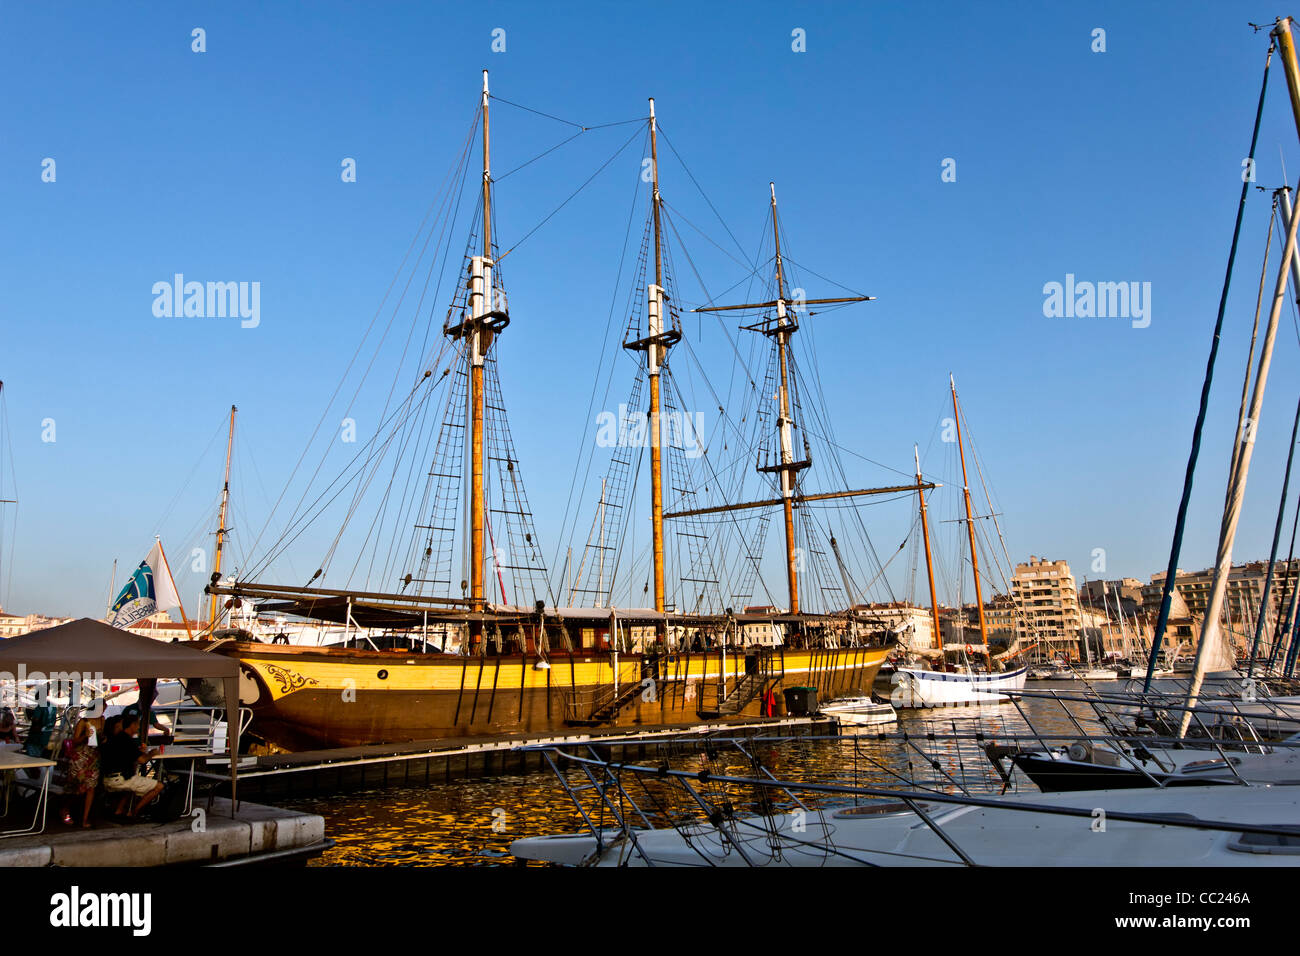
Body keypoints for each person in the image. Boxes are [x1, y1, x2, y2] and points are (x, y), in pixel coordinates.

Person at [99, 716, 164, 817]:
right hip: (120, 779)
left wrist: (139, 752)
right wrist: (151, 753)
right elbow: (142, 760)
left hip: (107, 779)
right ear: (132, 725)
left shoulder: (114, 739)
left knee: (130, 787)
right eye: (137, 724)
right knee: (159, 786)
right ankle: (134, 812)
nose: (138, 727)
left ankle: (119, 810)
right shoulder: (127, 740)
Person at [60, 714, 103, 828]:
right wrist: (85, 736)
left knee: (91, 787)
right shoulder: (83, 721)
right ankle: (66, 809)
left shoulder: (102, 720)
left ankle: (85, 817)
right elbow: (75, 740)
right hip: (81, 756)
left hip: (93, 756)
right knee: (76, 787)